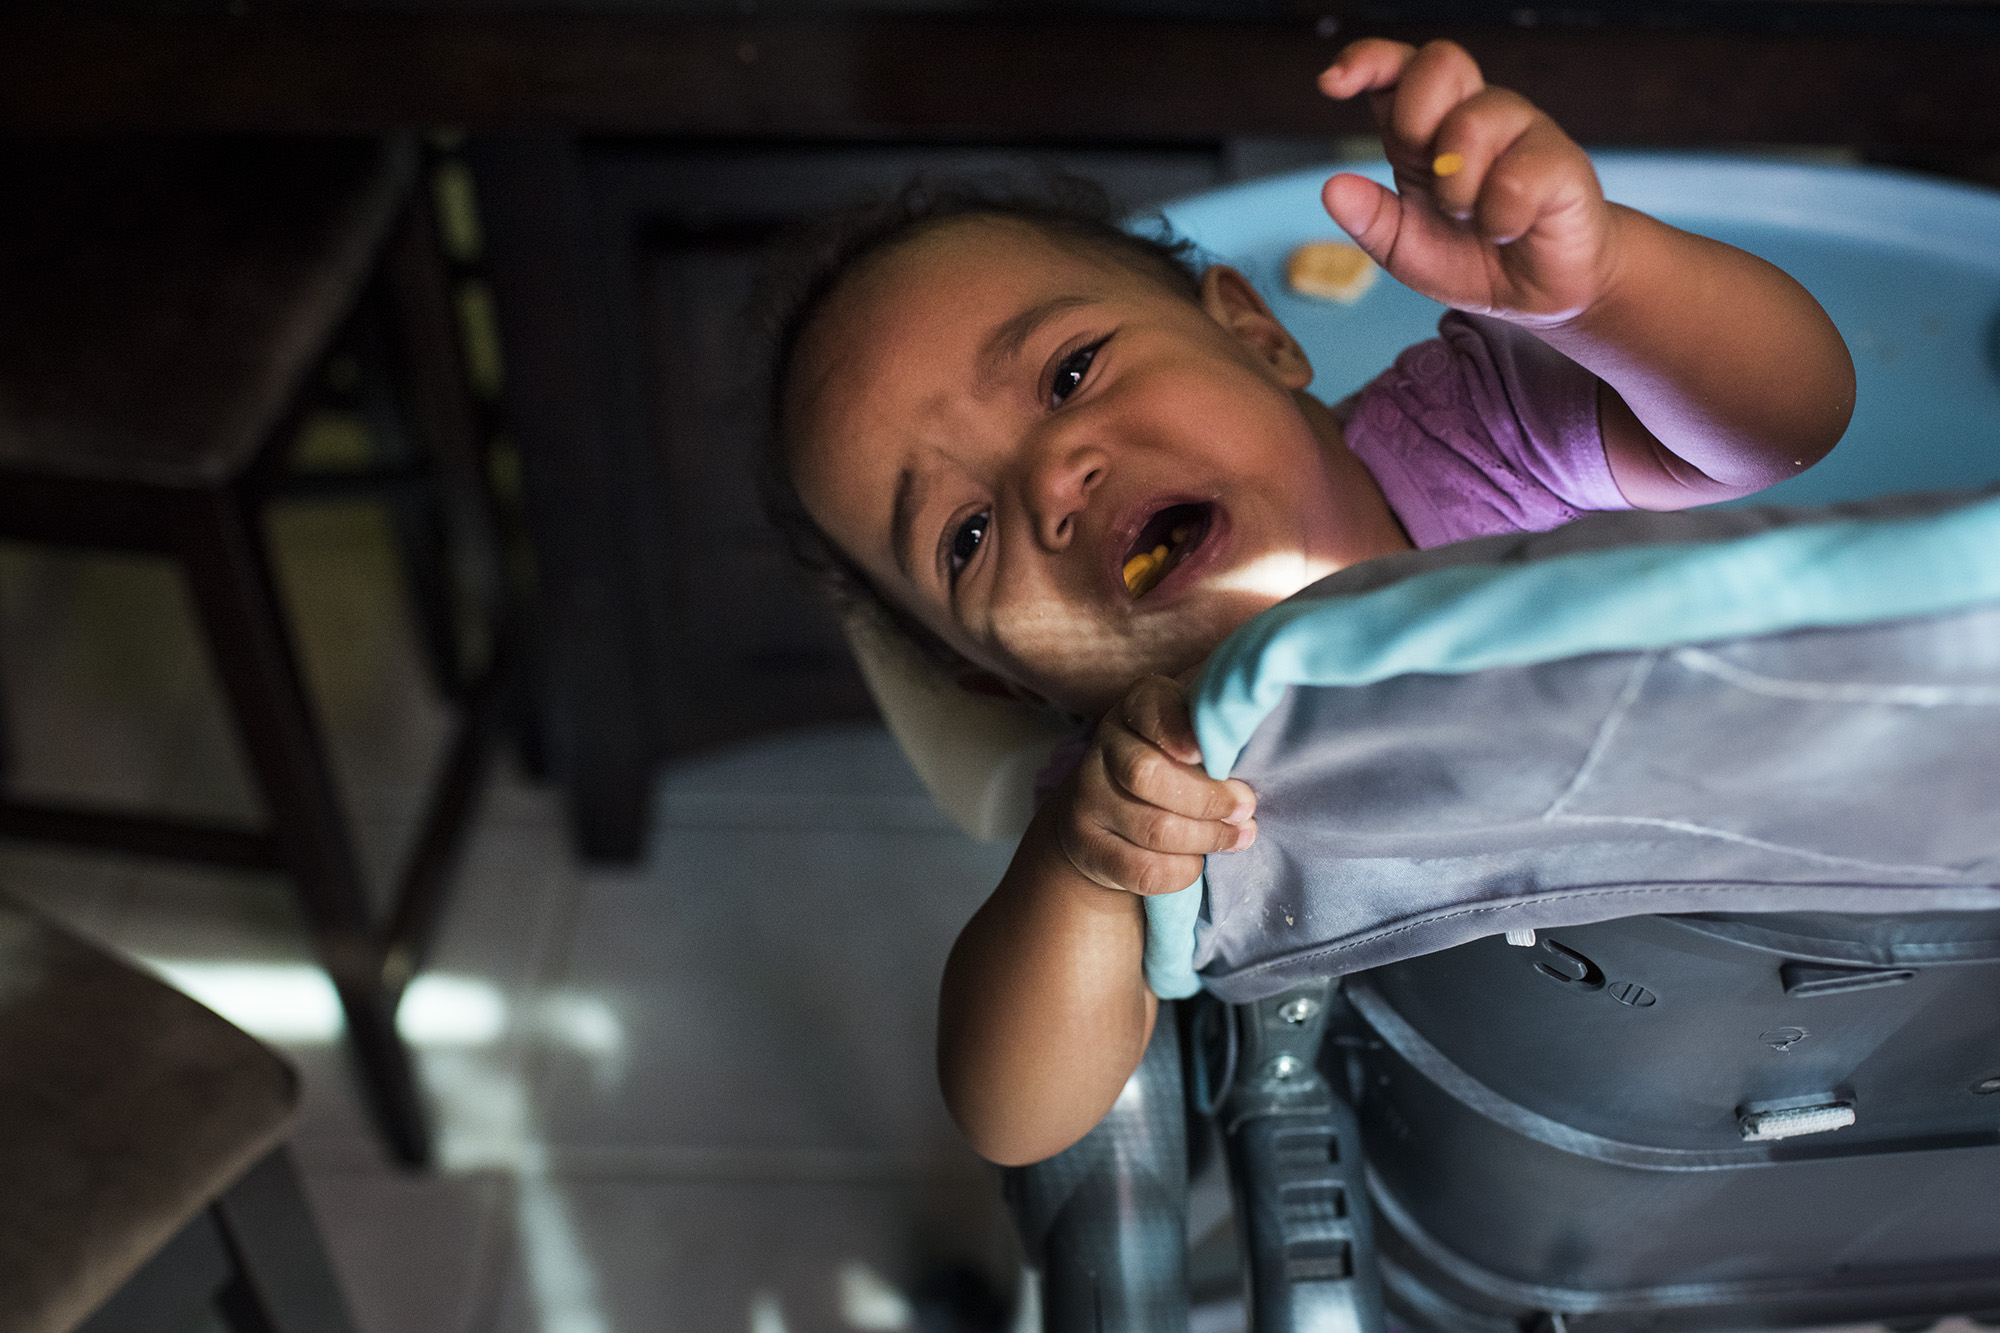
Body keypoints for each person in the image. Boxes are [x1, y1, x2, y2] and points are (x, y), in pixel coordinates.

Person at [764, 37, 1856, 1166]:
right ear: (1003, 677)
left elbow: (1791, 419)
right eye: (967, 534)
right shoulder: (1147, 783)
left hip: (1837, 970)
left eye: (1069, 372)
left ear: (1256, 332)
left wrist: (1605, 288)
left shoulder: (1472, 445)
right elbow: (1015, 1117)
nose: (1049, 482)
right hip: (1486, 1129)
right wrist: (1081, 869)